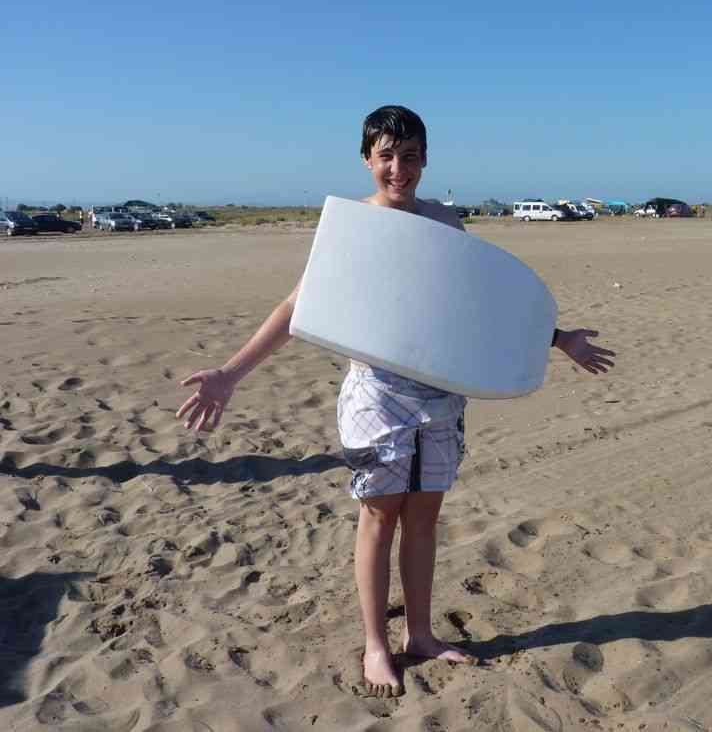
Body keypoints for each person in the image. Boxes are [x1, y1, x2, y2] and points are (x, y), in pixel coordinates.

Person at [176, 105, 616, 698]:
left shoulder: (445, 221)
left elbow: (478, 306)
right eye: (386, 156)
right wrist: (230, 374)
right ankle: (375, 645)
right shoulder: (354, 228)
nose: (398, 169)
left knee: (425, 519)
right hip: (377, 398)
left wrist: (557, 339)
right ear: (367, 159)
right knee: (380, 517)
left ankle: (422, 634)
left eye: (409, 157)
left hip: (442, 397)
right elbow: (297, 307)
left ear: (425, 160)